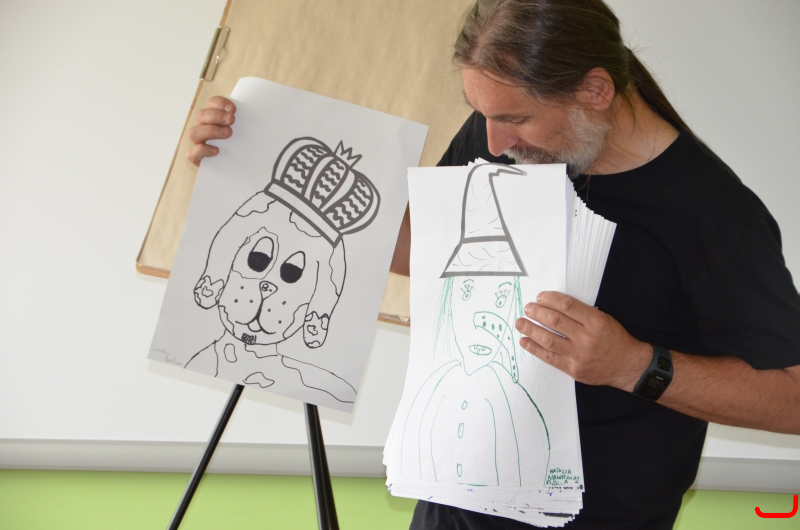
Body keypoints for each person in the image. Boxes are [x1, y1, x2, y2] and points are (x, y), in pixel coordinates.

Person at [185, 1, 800, 528]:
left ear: (595, 92)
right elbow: (429, 255)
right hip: (451, 504)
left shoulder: (714, 215)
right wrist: (242, 163)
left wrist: (632, 365)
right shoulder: (501, 138)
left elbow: (791, 397)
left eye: (515, 118)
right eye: (482, 113)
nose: (493, 142)